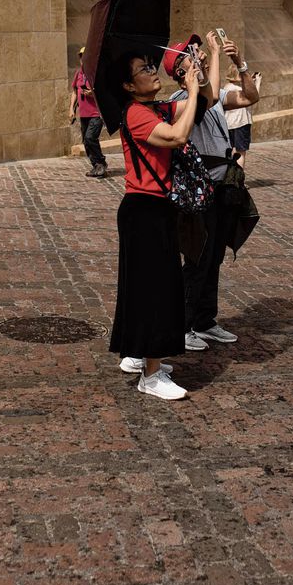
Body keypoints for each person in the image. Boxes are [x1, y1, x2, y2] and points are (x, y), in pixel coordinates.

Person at [110, 51, 203, 400]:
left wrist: (199, 74)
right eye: (143, 69)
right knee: (155, 291)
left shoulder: (155, 108)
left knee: (148, 287)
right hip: (143, 211)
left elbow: (202, 105)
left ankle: (138, 355)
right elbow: (178, 136)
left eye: (151, 66)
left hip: (156, 209)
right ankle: (150, 376)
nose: (151, 72)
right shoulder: (135, 114)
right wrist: (191, 92)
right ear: (128, 85)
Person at [163, 31, 259, 350]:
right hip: (197, 192)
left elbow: (249, 98)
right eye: (193, 54)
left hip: (221, 188)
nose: (200, 54)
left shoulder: (211, 97)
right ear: (181, 72)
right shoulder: (184, 101)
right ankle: (182, 324)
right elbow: (211, 95)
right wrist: (216, 54)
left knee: (214, 256)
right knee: (197, 258)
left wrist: (239, 63)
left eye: (199, 50)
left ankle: (205, 320)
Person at [69, 46, 107, 178]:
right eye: (81, 57)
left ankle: (101, 163)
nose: (82, 59)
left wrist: (93, 93)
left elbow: (104, 92)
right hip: (83, 114)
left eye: (85, 56)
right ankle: (96, 166)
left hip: (96, 113)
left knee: (90, 138)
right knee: (86, 141)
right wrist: (71, 109)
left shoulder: (96, 73)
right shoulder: (79, 73)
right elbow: (74, 91)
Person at [222, 65, 261, 168]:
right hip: (241, 124)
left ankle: (229, 177)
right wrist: (257, 82)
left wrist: (249, 81)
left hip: (228, 124)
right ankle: (239, 179)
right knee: (241, 153)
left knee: (231, 151)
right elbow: (253, 97)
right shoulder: (239, 89)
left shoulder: (226, 88)